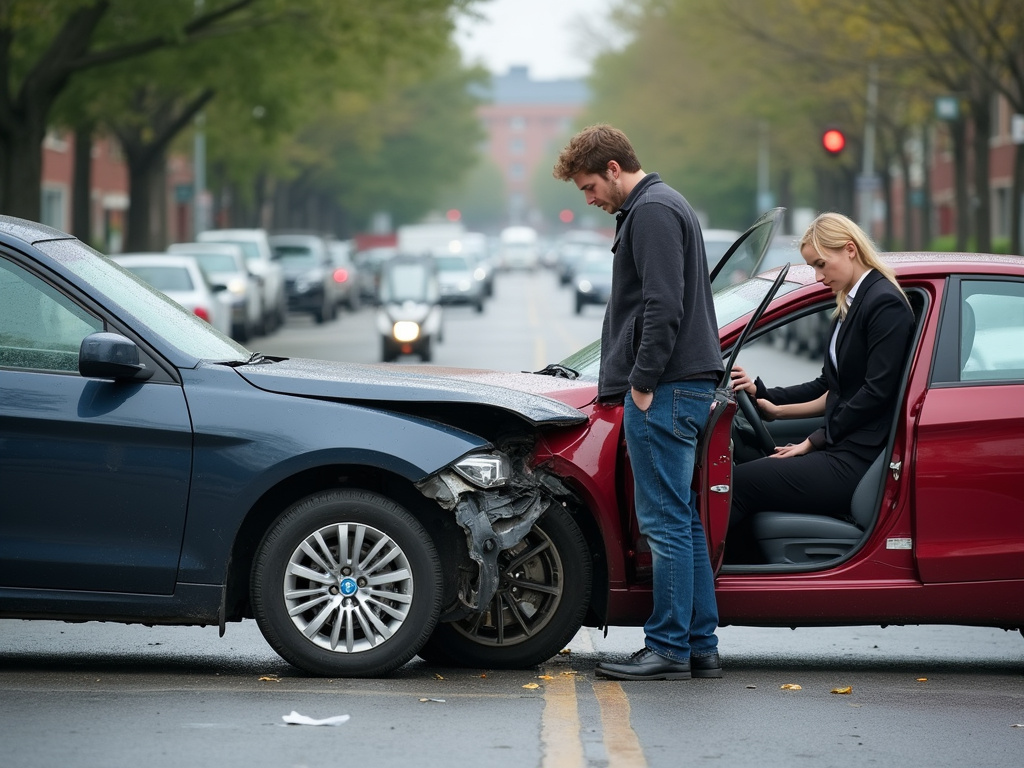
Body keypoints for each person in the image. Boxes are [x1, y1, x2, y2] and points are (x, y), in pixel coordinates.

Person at [553, 124, 724, 681]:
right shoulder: (665, 204)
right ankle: (699, 645)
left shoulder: (649, 211)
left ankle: (669, 647)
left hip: (667, 388)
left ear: (612, 168)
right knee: (683, 519)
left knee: (665, 522)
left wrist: (643, 381)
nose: (589, 200)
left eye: (588, 187)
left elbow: (662, 304)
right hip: (685, 386)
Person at [729, 212, 914, 539]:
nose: (817, 277)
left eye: (821, 264)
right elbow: (829, 385)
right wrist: (764, 394)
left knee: (739, 482)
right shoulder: (851, 304)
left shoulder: (884, 303)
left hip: (858, 458)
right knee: (748, 471)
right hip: (842, 447)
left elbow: (876, 392)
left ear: (850, 250)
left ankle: (696, 574)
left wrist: (814, 441)